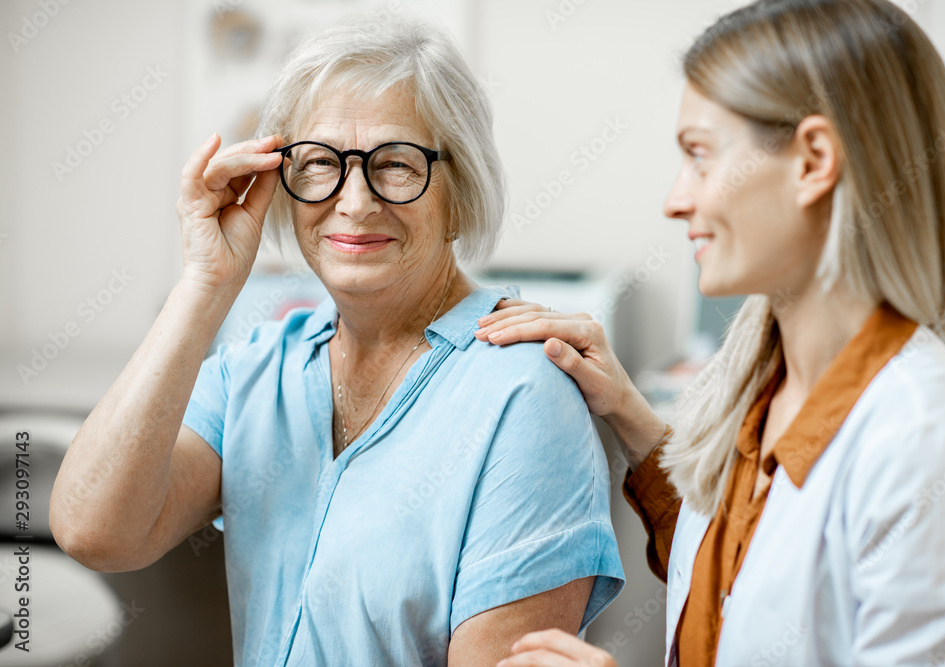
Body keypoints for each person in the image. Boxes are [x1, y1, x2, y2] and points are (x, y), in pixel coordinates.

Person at [49, 16, 624, 666]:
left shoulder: (524, 395)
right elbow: (94, 529)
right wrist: (203, 286)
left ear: (459, 192)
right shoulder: (263, 367)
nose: (354, 201)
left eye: (396, 165)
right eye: (321, 163)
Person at [480, 1, 945, 665]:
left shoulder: (936, 446)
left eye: (700, 156)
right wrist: (629, 413)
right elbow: (734, 574)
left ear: (813, 160)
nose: (676, 198)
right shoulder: (765, 388)